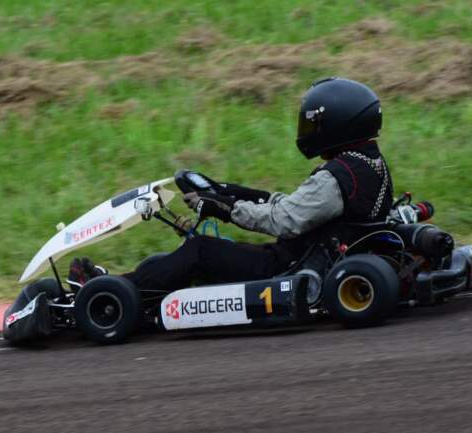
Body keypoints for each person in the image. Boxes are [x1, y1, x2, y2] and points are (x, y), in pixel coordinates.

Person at [68, 77, 394, 291]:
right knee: (167, 261)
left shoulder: (336, 176)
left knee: (200, 250)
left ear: (338, 125)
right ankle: (126, 284)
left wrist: (225, 209)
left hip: (284, 267)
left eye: (313, 124)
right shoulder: (369, 165)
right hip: (309, 256)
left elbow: (285, 220)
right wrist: (236, 192)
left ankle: (108, 292)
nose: (308, 131)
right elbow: (300, 209)